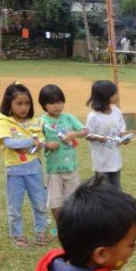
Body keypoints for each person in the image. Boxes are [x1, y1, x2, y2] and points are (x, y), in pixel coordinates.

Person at [0, 83, 48, 248]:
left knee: (40, 203)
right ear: (8, 103)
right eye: (19, 103)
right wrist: (31, 141)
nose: (24, 108)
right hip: (15, 172)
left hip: (35, 170)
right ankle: (18, 236)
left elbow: (42, 141)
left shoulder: (34, 122)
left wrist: (35, 143)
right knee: (14, 206)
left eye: (27, 103)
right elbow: (9, 143)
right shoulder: (3, 122)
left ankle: (41, 232)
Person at [38, 84, 87, 228]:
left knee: (73, 201)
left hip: (71, 168)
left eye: (59, 102)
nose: (57, 106)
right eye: (52, 103)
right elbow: (36, 141)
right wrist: (46, 144)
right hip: (53, 170)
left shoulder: (68, 117)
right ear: (44, 104)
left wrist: (73, 134)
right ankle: (61, 227)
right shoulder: (41, 121)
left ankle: (73, 227)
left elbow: (85, 131)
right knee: (55, 202)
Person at [86, 80, 130, 189]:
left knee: (116, 187)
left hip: (115, 160)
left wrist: (124, 138)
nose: (117, 95)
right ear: (105, 96)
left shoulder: (116, 112)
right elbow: (88, 135)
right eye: (114, 93)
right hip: (101, 162)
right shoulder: (93, 116)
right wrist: (99, 138)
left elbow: (122, 129)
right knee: (102, 189)